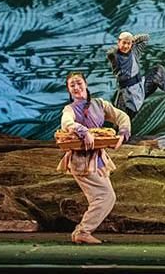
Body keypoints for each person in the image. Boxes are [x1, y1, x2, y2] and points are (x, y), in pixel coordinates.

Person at [57, 72, 130, 244]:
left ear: (86, 84)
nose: (76, 87)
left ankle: (81, 231)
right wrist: (83, 131)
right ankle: (83, 231)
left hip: (98, 159)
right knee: (105, 196)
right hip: (81, 160)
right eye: (72, 85)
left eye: (79, 83)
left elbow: (122, 116)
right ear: (69, 90)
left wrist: (122, 134)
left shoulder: (99, 104)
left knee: (101, 197)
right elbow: (66, 123)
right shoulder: (70, 109)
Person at [106, 32, 165, 120]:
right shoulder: (115, 56)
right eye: (124, 43)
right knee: (123, 117)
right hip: (127, 93)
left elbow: (145, 38)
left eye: (128, 43)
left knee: (158, 70)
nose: (126, 46)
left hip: (141, 87)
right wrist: (124, 42)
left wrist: (132, 40)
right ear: (119, 42)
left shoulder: (134, 51)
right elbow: (110, 53)